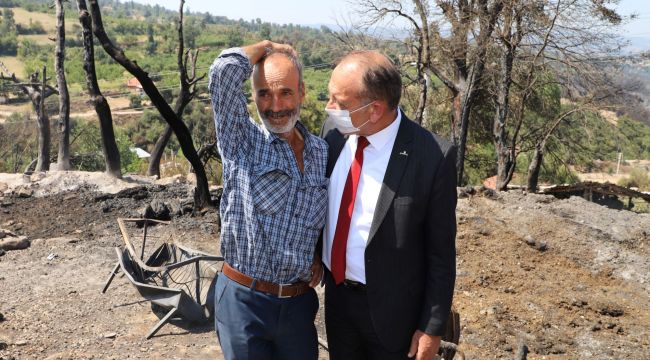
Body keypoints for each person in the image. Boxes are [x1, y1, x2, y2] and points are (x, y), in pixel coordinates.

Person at [320, 50, 457, 360]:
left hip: (395, 316)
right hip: (338, 301)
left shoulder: (433, 157)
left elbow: (441, 254)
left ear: (375, 110)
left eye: (340, 103)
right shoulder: (333, 135)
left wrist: (432, 327)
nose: (329, 109)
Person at [208, 40, 327, 360]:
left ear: (302, 92)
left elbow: (320, 216)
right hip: (245, 303)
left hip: (299, 306)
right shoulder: (242, 140)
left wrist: (315, 253)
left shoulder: (321, 152)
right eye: (264, 93)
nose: (275, 105)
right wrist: (268, 47)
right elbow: (221, 73)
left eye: (285, 92)